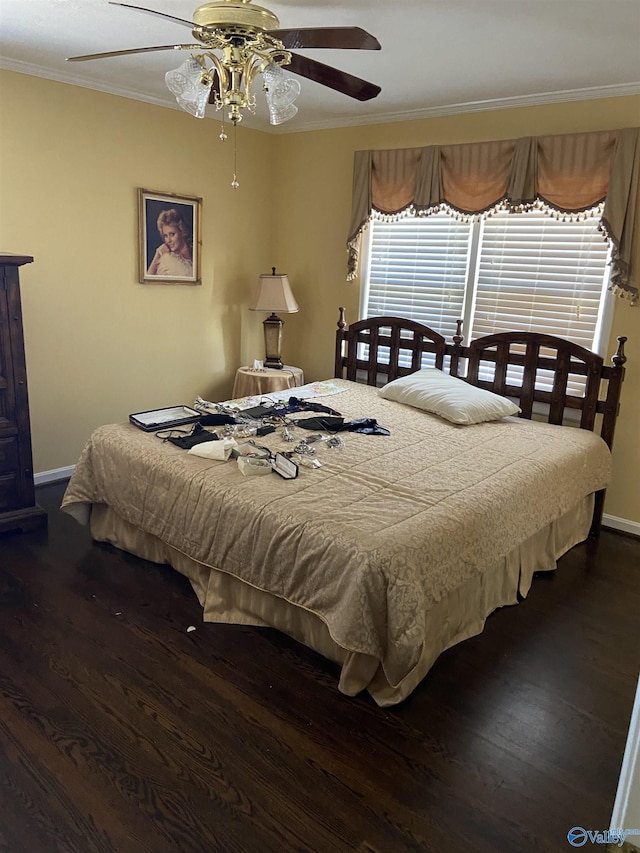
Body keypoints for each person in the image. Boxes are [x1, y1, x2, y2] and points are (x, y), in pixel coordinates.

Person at [146, 208, 193, 277]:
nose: (168, 240)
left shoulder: (194, 250)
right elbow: (147, 278)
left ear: (182, 231)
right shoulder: (167, 259)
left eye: (172, 234)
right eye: (165, 236)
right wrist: (158, 254)